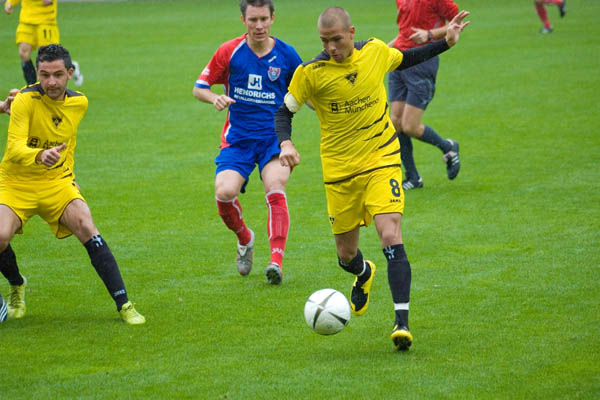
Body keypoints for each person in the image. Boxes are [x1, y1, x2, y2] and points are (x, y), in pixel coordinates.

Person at [276, 7, 469, 350]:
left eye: (337, 39)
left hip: (382, 159)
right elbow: (284, 111)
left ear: (351, 32)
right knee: (345, 255)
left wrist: (447, 43)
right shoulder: (311, 73)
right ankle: (364, 273)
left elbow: (407, 58)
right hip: (339, 173)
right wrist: (286, 142)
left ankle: (401, 322)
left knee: (390, 233)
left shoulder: (375, 52)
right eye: (324, 41)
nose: (331, 47)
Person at [0, 44, 144, 324]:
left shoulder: (80, 103)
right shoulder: (24, 100)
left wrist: (68, 173)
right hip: (17, 183)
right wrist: (40, 155)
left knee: (87, 226)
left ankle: (124, 304)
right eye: (44, 75)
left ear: (69, 73)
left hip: (56, 182)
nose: (51, 82)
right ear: (37, 73)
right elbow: (15, 148)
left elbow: (69, 140)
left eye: (57, 75)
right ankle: (17, 284)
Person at [193, 0, 303, 284]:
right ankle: (245, 238)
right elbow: (199, 87)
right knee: (224, 192)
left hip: (274, 140)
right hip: (238, 140)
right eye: (253, 20)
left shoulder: (287, 55)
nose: (259, 25)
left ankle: (276, 262)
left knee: (275, 186)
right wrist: (214, 98)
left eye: (264, 19)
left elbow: (306, 91)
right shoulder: (229, 51)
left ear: (273, 18)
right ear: (243, 20)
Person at [388, 0, 462, 190]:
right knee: (395, 123)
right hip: (398, 59)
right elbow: (404, 31)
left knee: (410, 126)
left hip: (422, 61)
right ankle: (413, 178)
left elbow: (455, 24)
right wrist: (384, 50)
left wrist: (430, 34)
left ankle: (448, 147)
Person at [4, 0, 83, 86]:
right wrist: (10, 2)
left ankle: (72, 66)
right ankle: (32, 87)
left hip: (45, 21)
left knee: (49, 55)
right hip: (26, 20)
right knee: (23, 54)